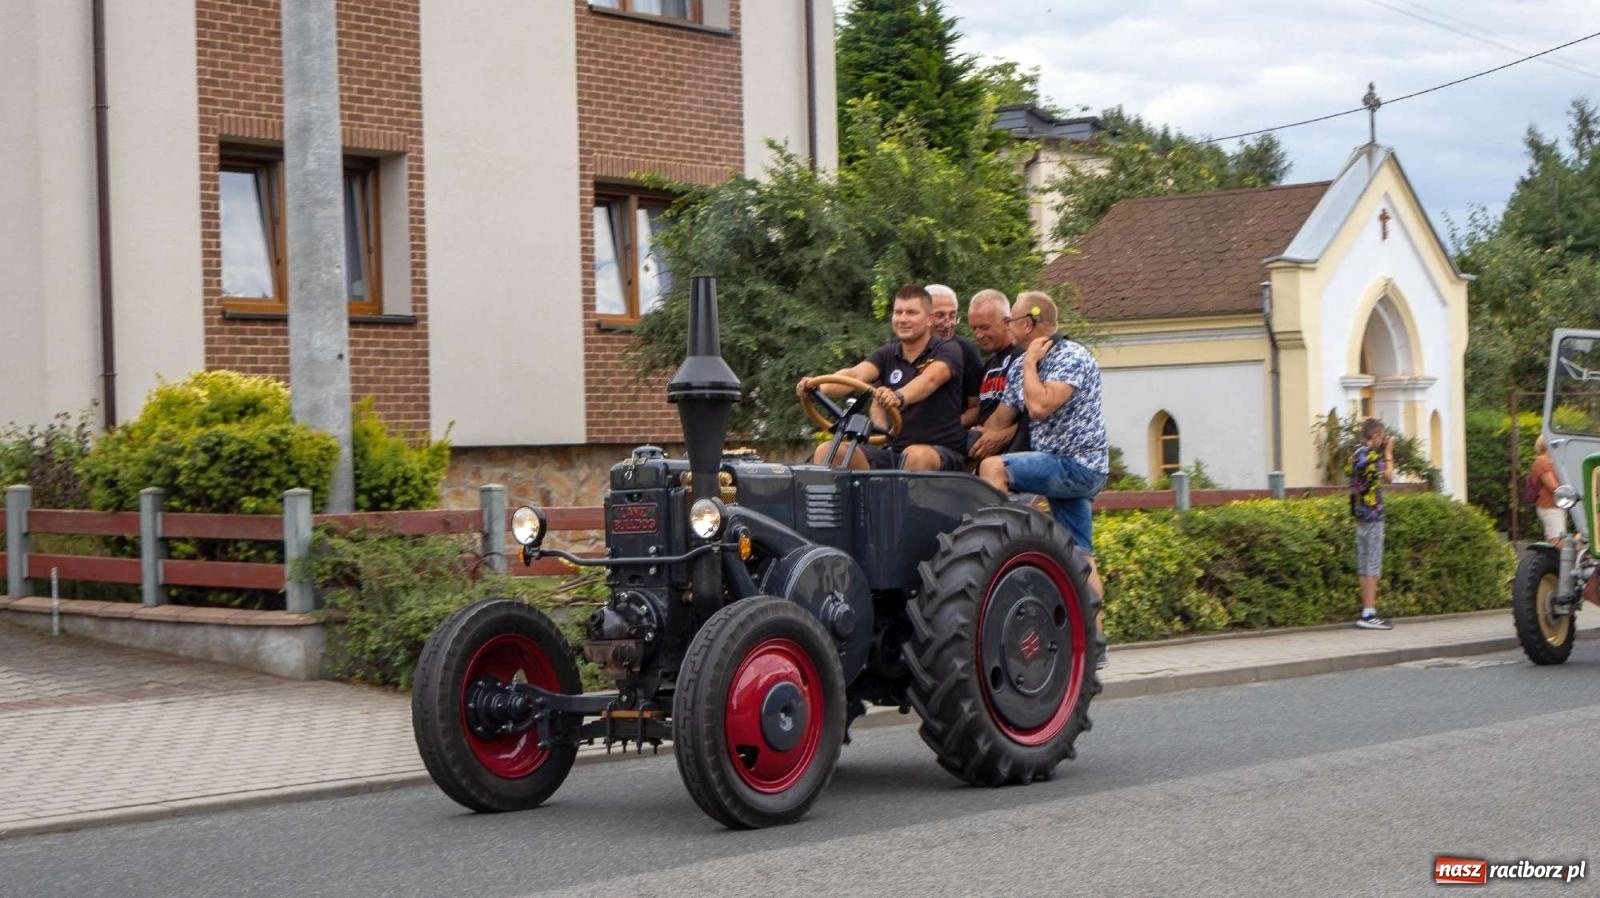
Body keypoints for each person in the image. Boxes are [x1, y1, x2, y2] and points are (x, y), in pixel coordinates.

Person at [976, 292, 1110, 603]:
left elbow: (1039, 407)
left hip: (1078, 465)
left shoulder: (1071, 357)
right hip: (1060, 469)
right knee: (1080, 557)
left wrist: (1029, 364)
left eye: (1010, 320)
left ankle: (1000, 556)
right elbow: (999, 420)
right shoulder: (1022, 365)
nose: (1007, 326)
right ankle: (1094, 633)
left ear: (1029, 323)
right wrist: (967, 438)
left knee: (993, 468)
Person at [797, 284, 967, 471]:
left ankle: (898, 489)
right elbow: (855, 374)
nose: (903, 319)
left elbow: (929, 380)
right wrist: (817, 387)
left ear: (929, 319)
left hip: (942, 456)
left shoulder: (948, 350)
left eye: (911, 313)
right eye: (898, 312)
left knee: (916, 455)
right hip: (894, 452)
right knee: (829, 450)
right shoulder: (888, 353)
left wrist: (898, 396)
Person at [963, 289, 1021, 461]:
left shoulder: (1024, 357)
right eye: (974, 328)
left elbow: (1037, 418)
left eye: (984, 327)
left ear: (1007, 322)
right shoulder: (988, 364)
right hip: (983, 454)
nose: (978, 335)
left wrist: (1003, 436)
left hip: (1015, 458)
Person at [1349, 417, 1395, 630]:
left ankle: (1365, 611)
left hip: (1359, 514)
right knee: (1373, 564)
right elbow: (1389, 477)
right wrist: (1389, 453)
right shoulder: (1372, 456)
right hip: (1374, 515)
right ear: (1375, 435)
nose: (1383, 440)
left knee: (1364, 563)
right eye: (1382, 437)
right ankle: (1369, 613)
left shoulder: (1356, 454)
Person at [927, 284, 984, 426]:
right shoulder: (903, 348)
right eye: (940, 316)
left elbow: (976, 407)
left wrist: (947, 429)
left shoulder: (966, 351)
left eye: (952, 316)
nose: (948, 324)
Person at [1531, 435, 1565, 543]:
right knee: (1557, 540)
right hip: (1550, 506)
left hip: (1556, 506)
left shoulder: (1555, 460)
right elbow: (1553, 486)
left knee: (1552, 539)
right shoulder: (1542, 461)